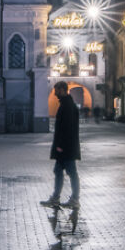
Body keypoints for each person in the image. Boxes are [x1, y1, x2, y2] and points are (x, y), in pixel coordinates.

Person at [41, 80, 81, 209]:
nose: (55, 93)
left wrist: (61, 146)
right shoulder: (66, 104)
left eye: (57, 90)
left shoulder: (67, 106)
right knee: (59, 171)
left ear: (63, 90)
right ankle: (56, 198)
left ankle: (73, 199)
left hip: (66, 148)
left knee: (71, 172)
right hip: (66, 147)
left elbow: (67, 128)